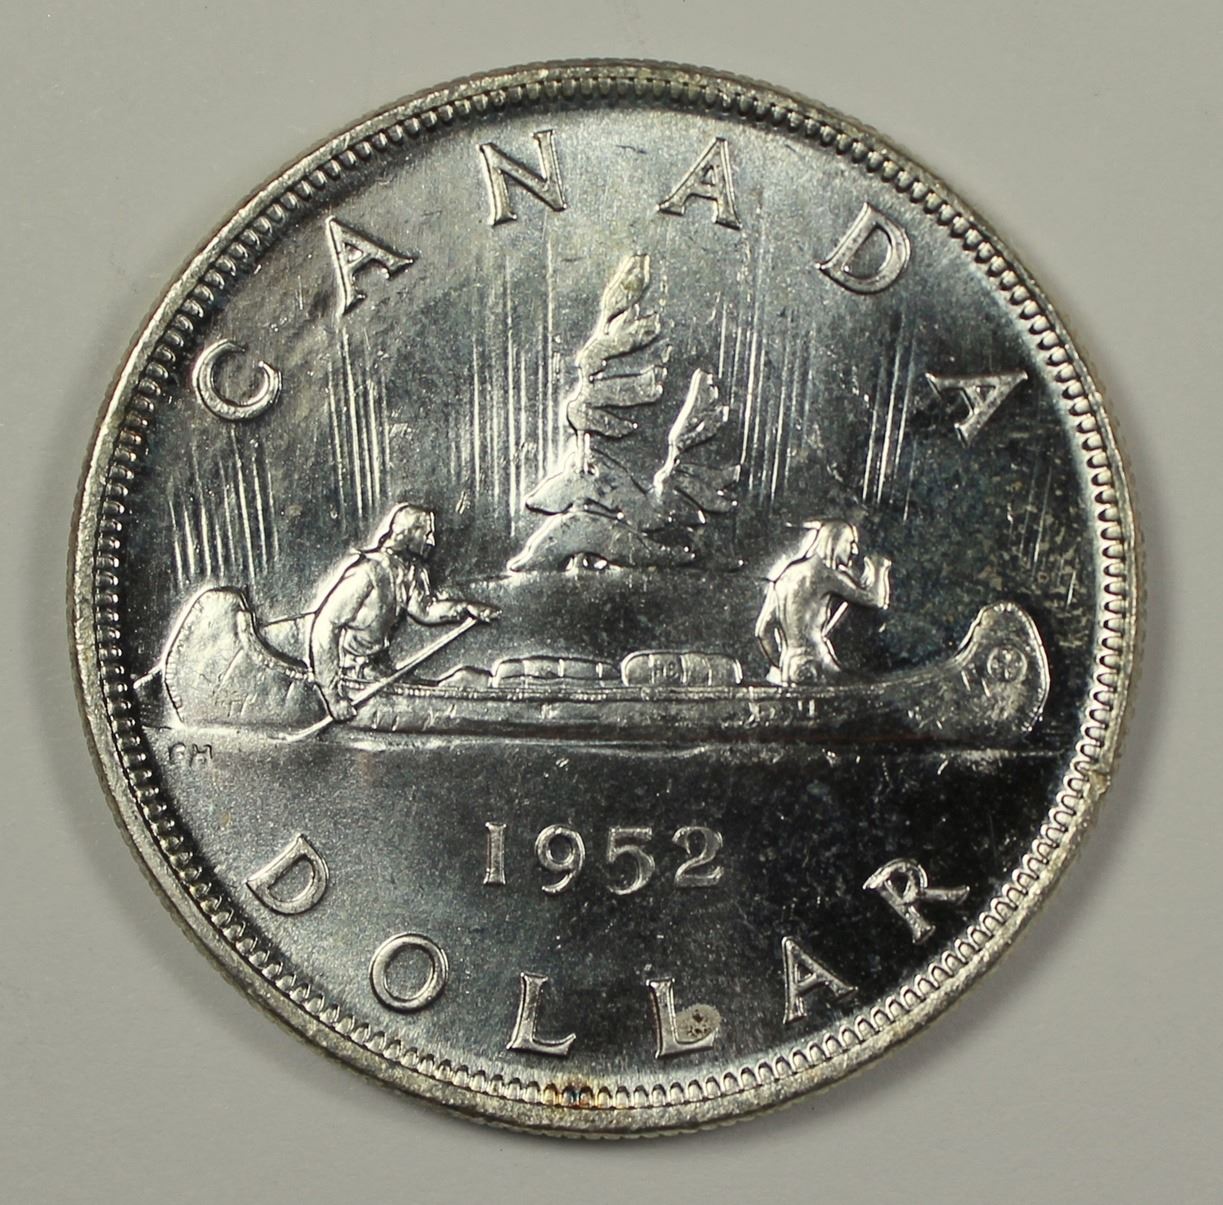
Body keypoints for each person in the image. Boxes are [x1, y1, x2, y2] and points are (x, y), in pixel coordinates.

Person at [308, 504, 498, 720]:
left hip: (380, 669)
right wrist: (332, 697)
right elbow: (326, 625)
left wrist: (466, 607)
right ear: (409, 533)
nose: (431, 541)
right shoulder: (367, 572)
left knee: (461, 679)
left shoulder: (408, 571)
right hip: (353, 674)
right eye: (426, 534)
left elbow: (425, 609)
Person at [755, 519, 891, 685]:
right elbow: (874, 599)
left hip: (791, 664)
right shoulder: (826, 575)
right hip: (817, 661)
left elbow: (763, 631)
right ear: (835, 542)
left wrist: (785, 663)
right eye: (850, 543)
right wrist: (879, 567)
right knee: (865, 688)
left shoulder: (785, 576)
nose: (854, 550)